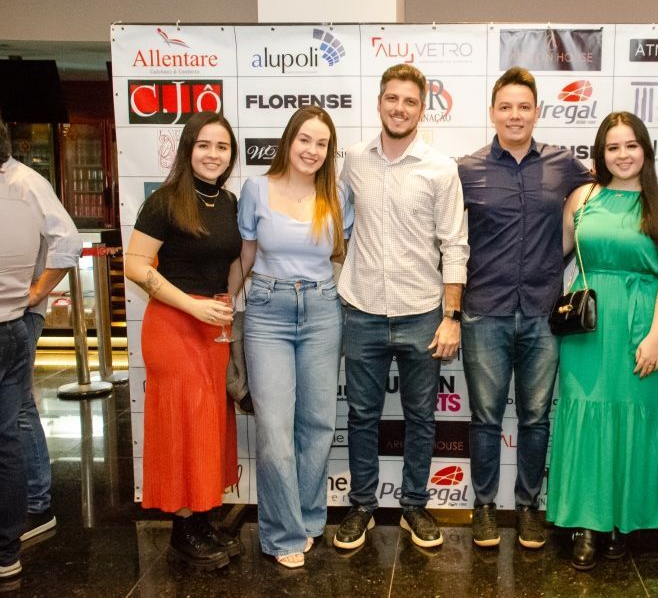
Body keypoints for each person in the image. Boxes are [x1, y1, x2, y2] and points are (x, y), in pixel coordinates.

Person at [333, 63, 468, 550]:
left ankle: (414, 505)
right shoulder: (353, 162)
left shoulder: (441, 168)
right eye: (392, 98)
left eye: (410, 101)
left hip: (422, 313)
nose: (400, 107)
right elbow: (339, 228)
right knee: (362, 416)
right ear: (379, 102)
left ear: (422, 108)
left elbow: (455, 244)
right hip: (362, 310)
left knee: (422, 417)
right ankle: (363, 506)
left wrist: (451, 316)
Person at [457, 67, 591, 549]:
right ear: (492, 113)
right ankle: (485, 507)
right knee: (486, 418)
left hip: (542, 311)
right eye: (506, 107)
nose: (515, 115)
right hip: (484, 311)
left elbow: (604, 200)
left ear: (538, 112)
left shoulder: (565, 166)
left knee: (536, 418)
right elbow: (448, 238)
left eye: (524, 106)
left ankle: (529, 507)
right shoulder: (466, 169)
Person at [545, 112, 658, 570]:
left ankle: (623, 522)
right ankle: (586, 522)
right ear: (600, 154)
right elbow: (553, 254)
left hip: (641, 327)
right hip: (587, 326)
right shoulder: (583, 198)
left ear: (645, 150)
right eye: (612, 147)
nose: (622, 155)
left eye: (631, 146)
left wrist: (655, 336)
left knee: (635, 421)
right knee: (585, 417)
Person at [233, 106, 352, 568]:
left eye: (322, 143)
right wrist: (227, 308)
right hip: (267, 310)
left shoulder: (337, 194)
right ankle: (282, 534)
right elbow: (245, 254)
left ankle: (308, 519)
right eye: (305, 139)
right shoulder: (256, 189)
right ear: (289, 140)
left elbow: (341, 252)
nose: (312, 150)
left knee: (319, 422)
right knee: (276, 427)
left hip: (323, 309)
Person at [124, 111, 243, 570]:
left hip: (212, 324)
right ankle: (182, 529)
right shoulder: (165, 201)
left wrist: (225, 304)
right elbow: (136, 266)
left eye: (223, 147)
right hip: (174, 325)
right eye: (204, 146)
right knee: (183, 423)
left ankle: (202, 517)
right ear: (188, 149)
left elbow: (232, 262)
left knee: (208, 422)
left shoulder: (229, 202)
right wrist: (192, 306)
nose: (214, 155)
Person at [0, 119, 81, 545]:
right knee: (17, 409)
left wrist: (36, 292)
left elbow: (68, 242)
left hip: (15, 315)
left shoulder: (25, 183)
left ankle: (34, 503)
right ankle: (30, 501)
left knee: (16, 412)